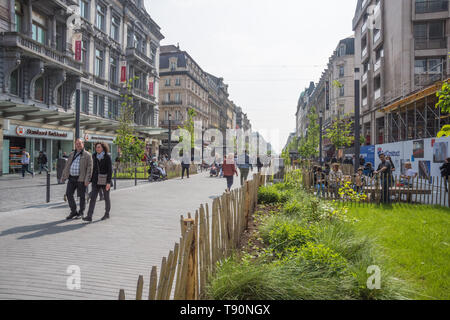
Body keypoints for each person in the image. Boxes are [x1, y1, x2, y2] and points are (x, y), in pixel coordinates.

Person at [61, 139, 93, 220]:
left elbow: (90, 168)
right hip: (71, 178)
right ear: (75, 145)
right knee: (68, 194)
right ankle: (73, 211)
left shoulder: (87, 155)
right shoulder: (72, 154)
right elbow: (67, 165)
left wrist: (87, 179)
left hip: (81, 179)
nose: (78, 145)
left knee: (82, 196)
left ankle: (81, 212)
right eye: (77, 143)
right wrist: (64, 176)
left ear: (83, 144)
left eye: (80, 143)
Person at [83, 142, 112, 222]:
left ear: (103, 148)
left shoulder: (107, 156)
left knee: (106, 198)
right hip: (96, 181)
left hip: (105, 180)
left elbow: (110, 170)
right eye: (96, 147)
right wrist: (90, 180)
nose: (97, 148)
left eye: (99, 147)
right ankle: (89, 216)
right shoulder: (94, 156)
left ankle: (107, 214)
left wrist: (108, 182)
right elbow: (93, 169)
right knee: (93, 198)